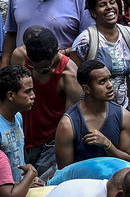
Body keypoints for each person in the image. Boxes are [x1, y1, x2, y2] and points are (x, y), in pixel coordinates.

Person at [11, 26, 82, 178]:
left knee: (40, 186)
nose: (37, 71)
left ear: (57, 51)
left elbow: (70, 124)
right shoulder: (20, 56)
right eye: (32, 67)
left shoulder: (69, 75)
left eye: (43, 69)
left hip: (50, 142)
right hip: (21, 134)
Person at [1, 0, 94, 67]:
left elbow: (90, 42)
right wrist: (4, 68)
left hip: (61, 73)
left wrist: (60, 53)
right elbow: (11, 33)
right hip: (23, 72)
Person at [55, 60, 130, 169]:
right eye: (102, 82)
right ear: (87, 89)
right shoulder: (68, 124)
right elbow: (65, 172)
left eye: (109, 79)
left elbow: (128, 160)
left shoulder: (124, 116)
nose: (110, 85)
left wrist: (107, 144)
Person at [0, 66, 35, 182]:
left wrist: (27, 179)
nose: (33, 96)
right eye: (27, 91)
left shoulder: (18, 117)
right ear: (10, 95)